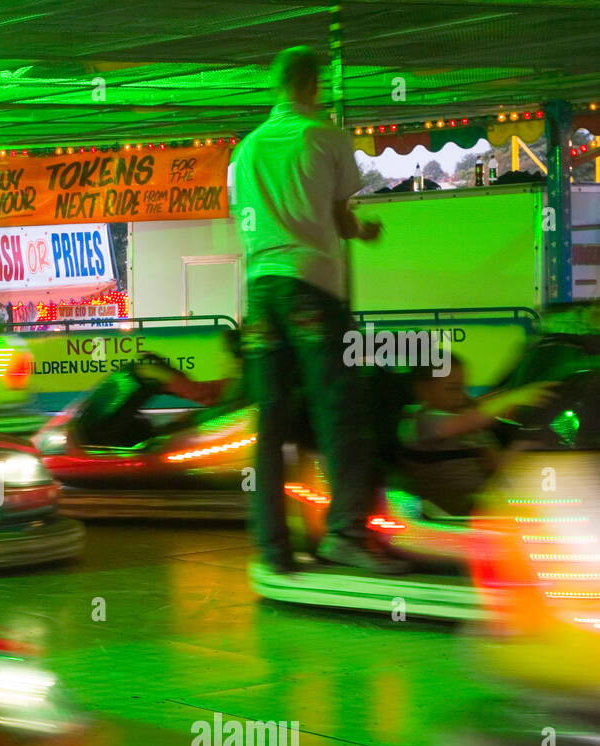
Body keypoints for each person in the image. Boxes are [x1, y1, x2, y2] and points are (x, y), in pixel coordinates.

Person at [234, 46, 397, 575]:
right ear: (313, 85)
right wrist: (364, 232)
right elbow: (340, 218)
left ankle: (272, 547)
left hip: (261, 292)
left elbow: (249, 217)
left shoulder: (246, 150)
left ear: (277, 84)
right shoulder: (325, 136)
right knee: (340, 411)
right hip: (312, 289)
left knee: (270, 422)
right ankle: (346, 534)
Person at [399, 359, 556, 516]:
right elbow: (461, 423)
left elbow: (499, 466)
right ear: (424, 390)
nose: (461, 396)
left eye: (463, 388)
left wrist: (528, 439)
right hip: (441, 511)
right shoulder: (420, 419)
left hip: (480, 505)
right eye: (453, 388)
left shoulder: (470, 427)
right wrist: (513, 398)